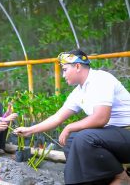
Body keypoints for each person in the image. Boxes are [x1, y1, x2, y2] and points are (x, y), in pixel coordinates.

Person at [14, 49, 130, 185]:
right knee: (71, 141)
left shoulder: (100, 79)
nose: (63, 75)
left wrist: (69, 126)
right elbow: (57, 117)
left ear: (78, 66)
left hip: (126, 132)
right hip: (112, 137)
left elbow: (100, 118)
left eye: (64, 69)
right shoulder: (79, 92)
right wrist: (29, 130)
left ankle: (121, 176)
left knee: (83, 138)